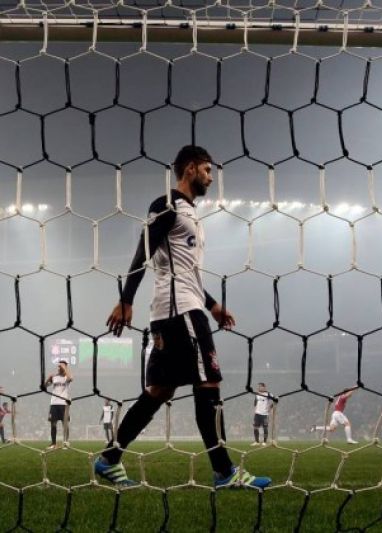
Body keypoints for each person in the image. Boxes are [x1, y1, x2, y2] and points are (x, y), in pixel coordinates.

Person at [98, 145, 271, 489]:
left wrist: (212, 305)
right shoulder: (167, 204)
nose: (210, 177)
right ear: (190, 169)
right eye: (207, 170)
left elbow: (185, 271)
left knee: (159, 390)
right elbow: (143, 250)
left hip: (179, 310)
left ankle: (108, 460)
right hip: (180, 313)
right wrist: (126, 299)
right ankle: (225, 472)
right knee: (209, 383)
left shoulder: (190, 214)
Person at [45, 360, 73, 449]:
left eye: (61, 366)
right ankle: (53, 444)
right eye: (59, 366)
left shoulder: (66, 376)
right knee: (53, 424)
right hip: (54, 403)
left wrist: (65, 368)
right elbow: (44, 386)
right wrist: (47, 379)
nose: (59, 367)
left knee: (65, 424)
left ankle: (65, 442)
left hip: (63, 403)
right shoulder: (54, 377)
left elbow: (70, 378)